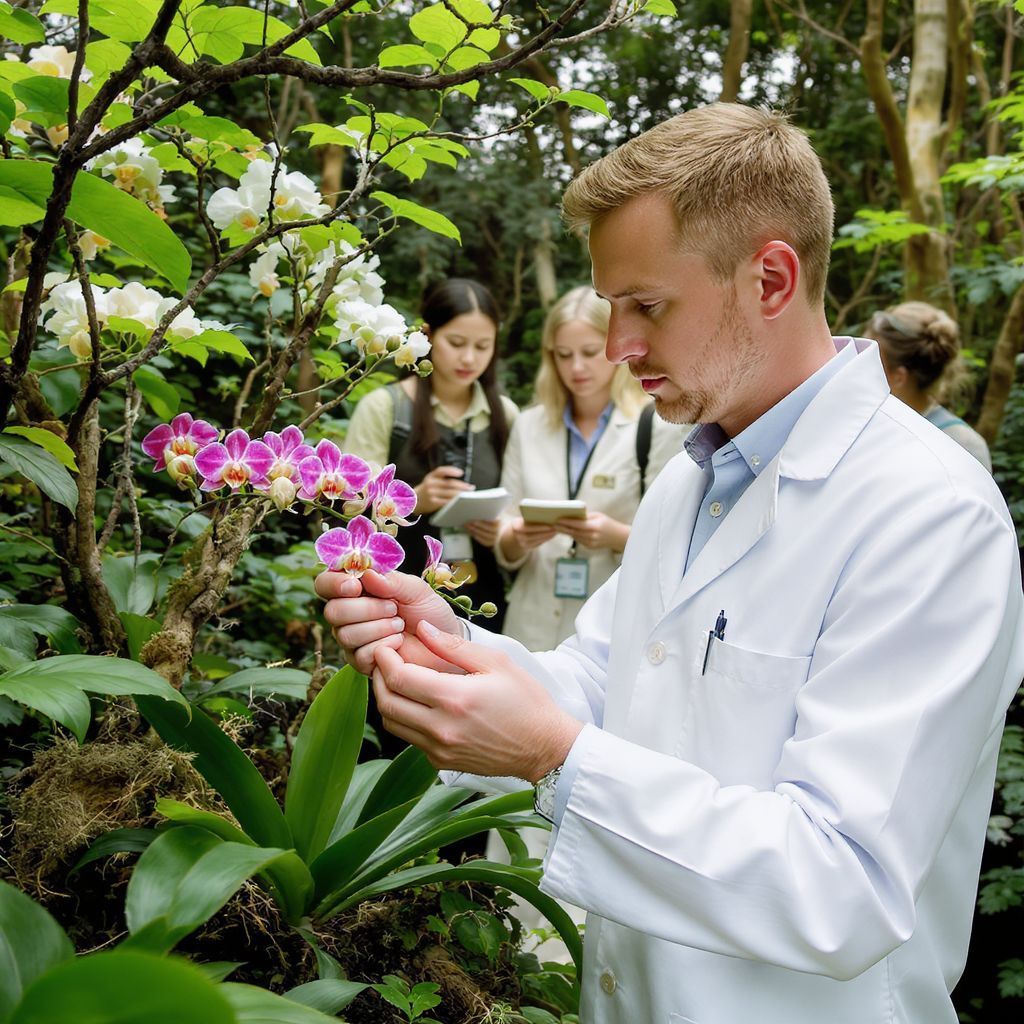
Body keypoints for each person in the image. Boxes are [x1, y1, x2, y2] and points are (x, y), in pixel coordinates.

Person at [317, 104, 1024, 1024]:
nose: (618, 347)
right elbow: (604, 682)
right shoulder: (694, 478)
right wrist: (446, 648)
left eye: (647, 305)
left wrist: (552, 758)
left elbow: (843, 883)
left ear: (771, 279)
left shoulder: (928, 513)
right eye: (612, 305)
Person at [496, 285, 685, 652]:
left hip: (610, 632)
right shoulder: (529, 425)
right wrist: (516, 538)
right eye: (564, 355)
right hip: (529, 625)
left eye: (589, 352)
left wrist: (614, 536)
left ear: (615, 346)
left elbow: (672, 543)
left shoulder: (655, 424)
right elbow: (504, 529)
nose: (576, 368)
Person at [343, 278, 518, 629]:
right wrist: (414, 499)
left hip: (481, 598)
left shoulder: (505, 415)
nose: (469, 358)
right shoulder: (385, 408)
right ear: (427, 335)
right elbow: (346, 507)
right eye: (456, 343)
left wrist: (500, 527)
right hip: (393, 597)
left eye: (483, 346)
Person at [865, 300, 992, 470]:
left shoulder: (962, 444)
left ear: (898, 377)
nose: (859, 363)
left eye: (869, 358)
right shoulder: (868, 426)